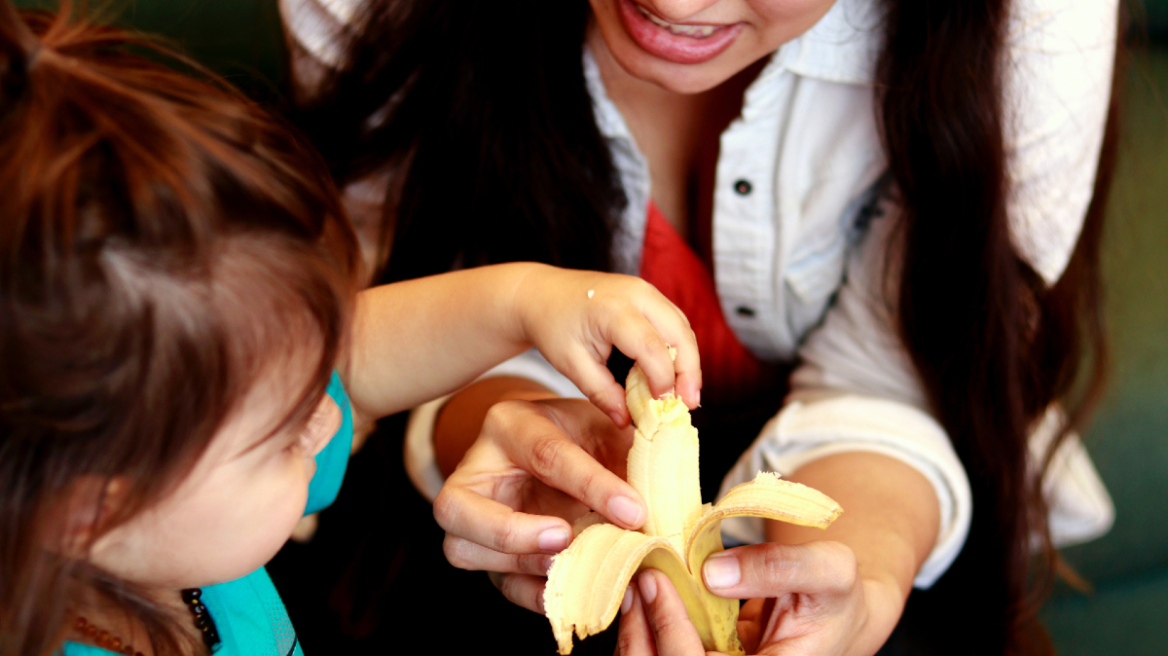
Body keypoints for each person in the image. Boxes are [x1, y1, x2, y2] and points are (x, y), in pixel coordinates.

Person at [281, 0, 1121, 653]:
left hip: (878, 480)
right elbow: (405, 306)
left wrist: (858, 593)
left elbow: (892, 379)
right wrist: (505, 427)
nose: (673, 6)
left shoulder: (1033, 22)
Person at [0, 4, 702, 655]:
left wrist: (522, 300)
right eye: (284, 433)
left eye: (314, 380)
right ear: (91, 510)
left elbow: (361, 362)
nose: (330, 415)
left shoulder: (175, 504)